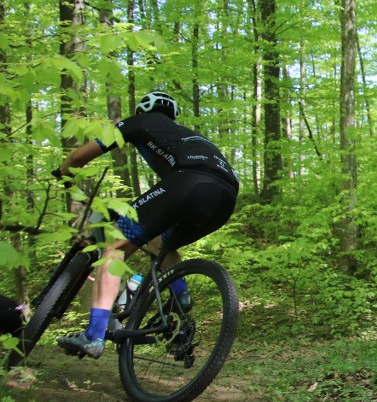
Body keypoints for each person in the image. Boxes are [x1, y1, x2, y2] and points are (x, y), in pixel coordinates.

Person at [55, 91, 239, 359]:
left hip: (188, 182)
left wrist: (65, 173)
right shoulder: (189, 135)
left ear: (141, 111)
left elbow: (78, 157)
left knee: (115, 248)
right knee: (160, 244)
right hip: (226, 197)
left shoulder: (139, 122)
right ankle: (180, 298)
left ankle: (94, 335)